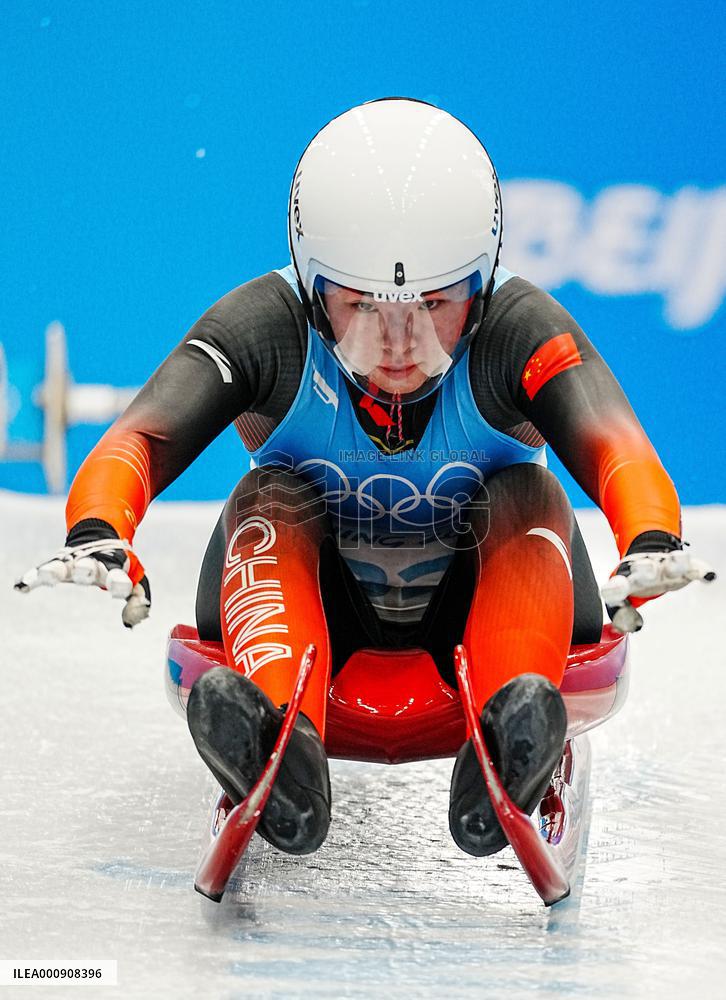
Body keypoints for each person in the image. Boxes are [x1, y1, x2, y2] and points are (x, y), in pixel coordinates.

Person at [15, 98, 714, 859]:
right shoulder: (261, 328)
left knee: (528, 494)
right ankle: (281, 739)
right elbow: (142, 438)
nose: (398, 345)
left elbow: (615, 444)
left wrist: (650, 537)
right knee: (270, 496)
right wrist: (101, 530)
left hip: (482, 618)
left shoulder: (522, 329)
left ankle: (510, 725)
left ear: (481, 287)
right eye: (360, 307)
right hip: (318, 618)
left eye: (434, 305)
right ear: (313, 290)